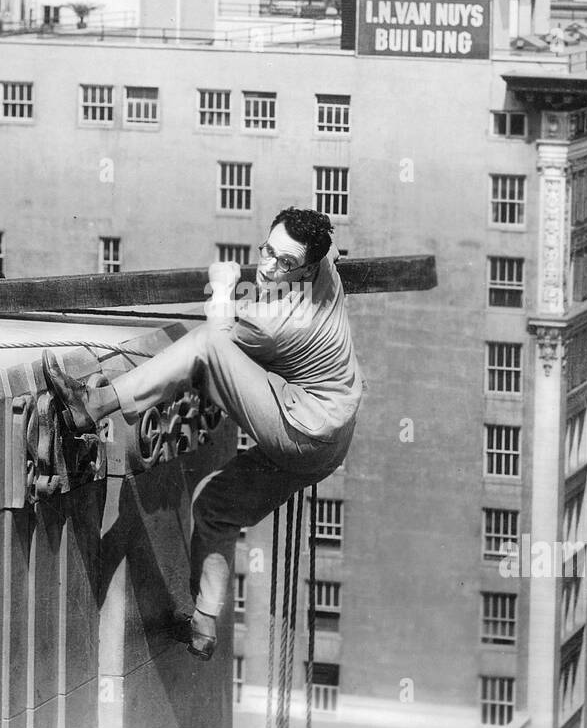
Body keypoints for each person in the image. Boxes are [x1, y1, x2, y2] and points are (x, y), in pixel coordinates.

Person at [41, 207, 362, 661]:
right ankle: (204, 624)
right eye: (267, 251)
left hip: (301, 430)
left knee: (204, 346)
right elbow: (311, 239)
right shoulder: (326, 275)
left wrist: (225, 281)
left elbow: (218, 335)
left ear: (309, 267)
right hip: (331, 436)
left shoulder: (276, 325)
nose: (268, 266)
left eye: (284, 263)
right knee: (213, 507)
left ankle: (93, 405)